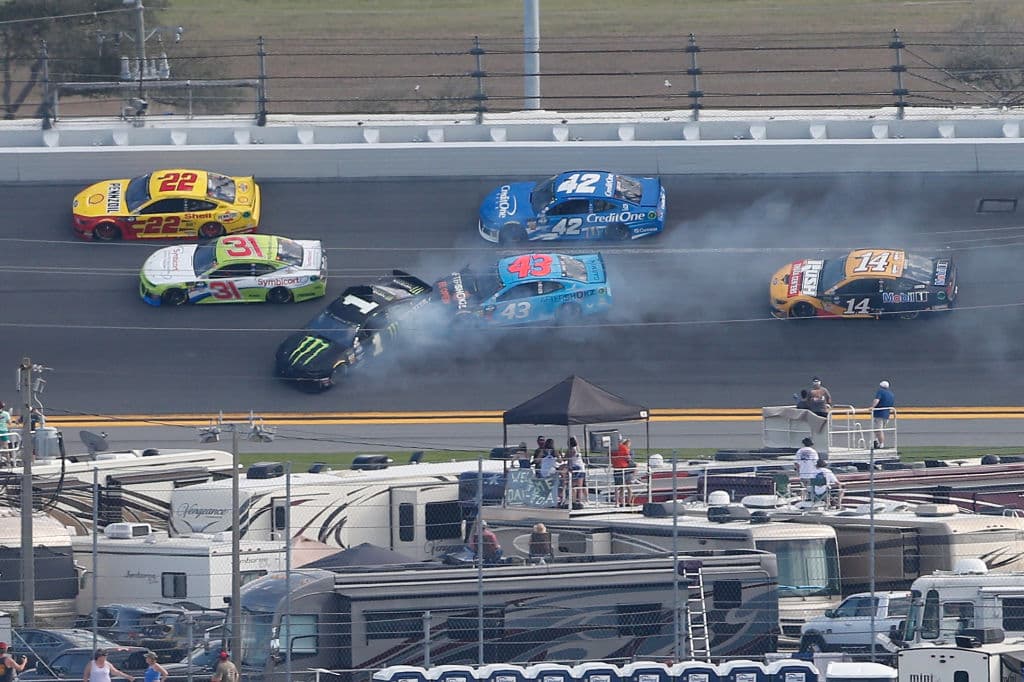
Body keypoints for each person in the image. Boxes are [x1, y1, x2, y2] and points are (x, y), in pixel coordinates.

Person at [870, 380, 896, 449]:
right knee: (879, 430)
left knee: (879, 429)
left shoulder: (880, 392)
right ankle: (875, 441)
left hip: (879, 414)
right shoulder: (891, 394)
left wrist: (872, 407)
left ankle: (881, 444)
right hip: (887, 414)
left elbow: (876, 400)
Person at [611, 437, 634, 506]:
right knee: (628, 486)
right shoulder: (624, 448)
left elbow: (610, 457)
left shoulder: (612, 449)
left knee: (618, 487)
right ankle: (628, 502)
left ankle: (617, 502)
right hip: (625, 469)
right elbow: (628, 458)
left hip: (616, 469)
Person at [566, 436, 587, 506]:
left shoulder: (571, 450)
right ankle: (580, 500)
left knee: (574, 486)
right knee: (580, 486)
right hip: (581, 468)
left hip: (576, 469)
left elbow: (566, 458)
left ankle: (575, 500)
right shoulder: (578, 448)